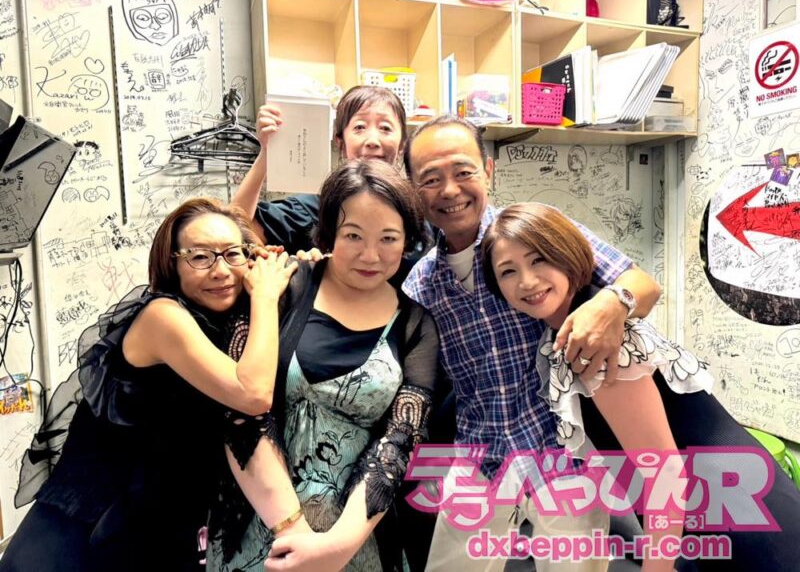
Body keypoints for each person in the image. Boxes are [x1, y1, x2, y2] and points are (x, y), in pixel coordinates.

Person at [401, 115, 662, 572]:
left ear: (488, 169)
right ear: (414, 189)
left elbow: (643, 285)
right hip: (479, 455)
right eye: (431, 179)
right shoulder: (421, 283)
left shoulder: (532, 234)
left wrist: (612, 302)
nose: (450, 190)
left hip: (563, 450)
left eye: (463, 171)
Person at [482, 202, 800, 572]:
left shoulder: (593, 338)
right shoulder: (576, 323)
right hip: (717, 509)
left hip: (743, 519)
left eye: (539, 259)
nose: (527, 281)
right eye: (508, 271)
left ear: (566, 254)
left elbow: (664, 474)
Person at [1, 198, 299, 572]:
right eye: (200, 257)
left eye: (232, 254)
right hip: (86, 534)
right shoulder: (163, 317)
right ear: (171, 264)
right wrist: (266, 298)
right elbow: (253, 394)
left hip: (153, 526)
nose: (221, 270)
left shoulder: (220, 322)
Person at [205, 158, 439, 572]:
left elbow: (400, 439)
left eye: (388, 238)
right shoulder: (280, 284)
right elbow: (237, 410)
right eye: (353, 235)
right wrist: (292, 530)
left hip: (357, 538)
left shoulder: (416, 324)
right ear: (329, 232)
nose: (370, 255)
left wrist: (335, 548)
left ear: (407, 240)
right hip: (259, 527)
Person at [233, 85, 408, 254]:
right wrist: (267, 152)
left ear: (402, 144)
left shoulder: (415, 212)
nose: (372, 141)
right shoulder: (313, 210)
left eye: (385, 128)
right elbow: (234, 229)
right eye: (359, 127)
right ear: (340, 142)